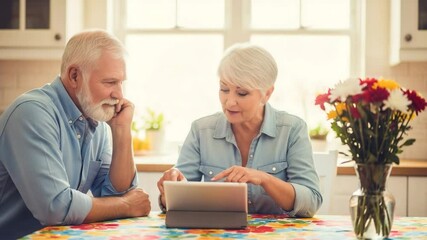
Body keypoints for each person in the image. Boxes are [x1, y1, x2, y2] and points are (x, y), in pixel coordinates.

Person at [0, 30, 151, 239]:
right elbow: (55, 208)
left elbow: (116, 195)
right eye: (109, 83)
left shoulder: (95, 118)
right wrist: (126, 205)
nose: (119, 95)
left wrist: (122, 130)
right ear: (74, 76)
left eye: (120, 82)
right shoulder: (32, 113)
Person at [157, 43, 321, 217]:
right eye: (224, 89)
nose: (229, 102)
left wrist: (264, 179)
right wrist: (170, 190)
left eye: (242, 93)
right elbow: (176, 203)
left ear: (267, 93)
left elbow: (310, 202)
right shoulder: (201, 130)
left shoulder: (292, 130)